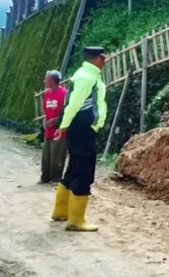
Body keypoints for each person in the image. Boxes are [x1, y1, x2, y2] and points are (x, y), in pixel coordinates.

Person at [51, 46, 107, 232]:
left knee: (74, 167)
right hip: (83, 128)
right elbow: (73, 104)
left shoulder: (86, 74)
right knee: (83, 170)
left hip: (80, 127)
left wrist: (65, 125)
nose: (105, 60)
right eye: (103, 57)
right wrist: (63, 126)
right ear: (98, 58)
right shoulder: (87, 77)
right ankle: (76, 220)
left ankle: (61, 211)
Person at [40, 70, 68, 184]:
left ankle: (56, 178)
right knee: (46, 154)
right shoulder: (47, 94)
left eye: (46, 78)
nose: (44, 81)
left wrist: (56, 121)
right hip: (48, 130)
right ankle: (45, 177)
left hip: (60, 129)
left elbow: (66, 112)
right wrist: (44, 119)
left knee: (57, 154)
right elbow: (45, 111)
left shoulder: (64, 93)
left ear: (52, 80)